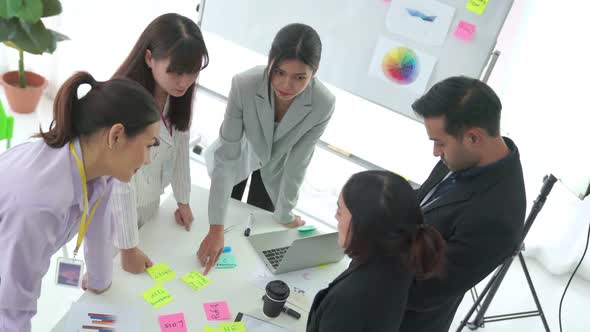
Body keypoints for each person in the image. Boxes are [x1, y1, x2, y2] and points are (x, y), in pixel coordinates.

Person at [0, 72, 160, 331]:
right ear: (116, 136)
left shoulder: (98, 167)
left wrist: (100, 283)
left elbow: (99, 228)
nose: (149, 160)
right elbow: (12, 307)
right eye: (149, 145)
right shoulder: (40, 206)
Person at [199, 23, 335, 274]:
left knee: (258, 229)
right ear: (270, 62)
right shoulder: (245, 84)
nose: (286, 85)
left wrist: (285, 212)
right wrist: (215, 227)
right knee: (225, 211)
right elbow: (227, 156)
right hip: (239, 153)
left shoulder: (323, 104)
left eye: (299, 77)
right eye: (279, 72)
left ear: (314, 72)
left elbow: (298, 161)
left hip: (277, 167)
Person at [399, 76, 526, 332]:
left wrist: (367, 255)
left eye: (440, 143)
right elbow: (428, 200)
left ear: (473, 138)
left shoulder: (498, 217)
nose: (435, 152)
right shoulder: (464, 156)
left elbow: (425, 290)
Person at [110, 13, 209, 274]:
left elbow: (180, 151)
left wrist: (183, 200)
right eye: (175, 72)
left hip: (150, 206)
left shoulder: (177, 98)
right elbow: (121, 184)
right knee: (110, 279)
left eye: (192, 72)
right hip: (114, 214)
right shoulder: (122, 103)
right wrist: (128, 246)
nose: (184, 82)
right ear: (149, 58)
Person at [306, 170, 446, 331]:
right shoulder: (400, 261)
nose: (336, 217)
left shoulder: (352, 300)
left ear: (363, 224)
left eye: (340, 211)